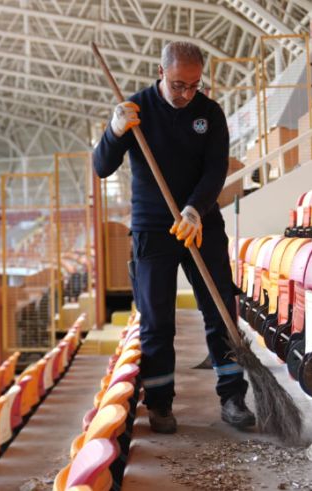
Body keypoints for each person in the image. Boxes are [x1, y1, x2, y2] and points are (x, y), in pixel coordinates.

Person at [93, 41, 256, 434]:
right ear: (161, 72)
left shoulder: (209, 113)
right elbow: (101, 167)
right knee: (156, 319)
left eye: (194, 85)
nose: (186, 94)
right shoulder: (136, 110)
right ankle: (161, 402)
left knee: (220, 310)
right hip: (152, 228)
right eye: (179, 84)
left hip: (201, 224)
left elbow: (215, 169)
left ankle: (232, 396)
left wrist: (195, 210)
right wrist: (114, 132)